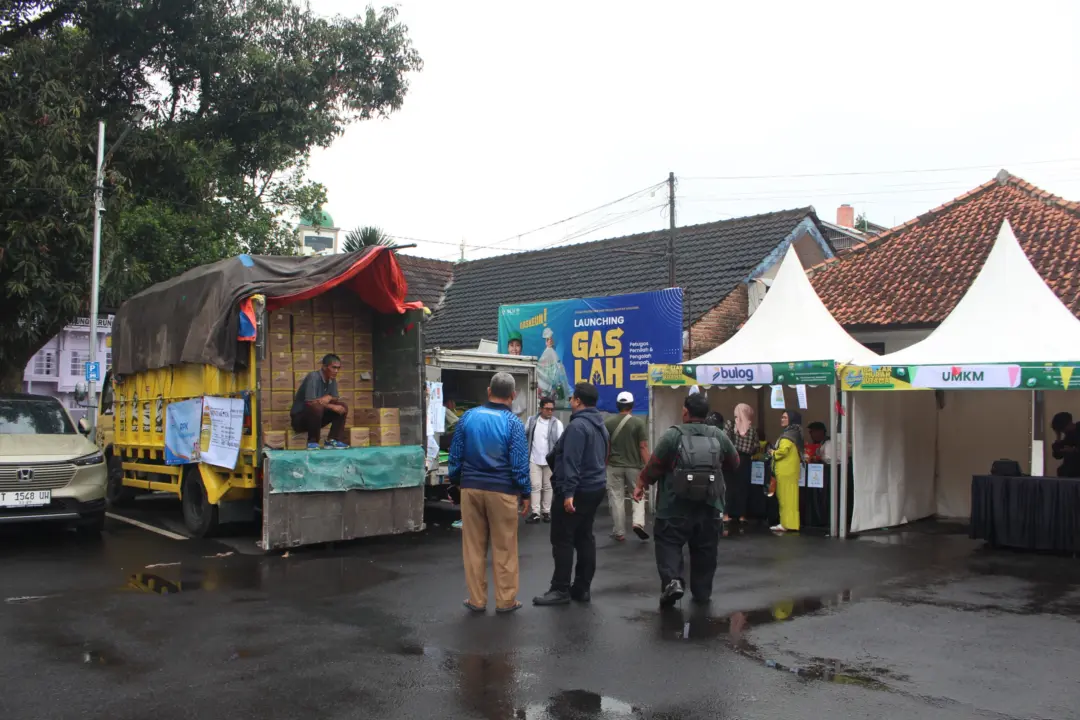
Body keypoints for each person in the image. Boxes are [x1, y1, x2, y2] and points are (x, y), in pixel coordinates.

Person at [633, 393, 739, 608]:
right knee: (706, 549)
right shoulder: (718, 435)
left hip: (673, 505)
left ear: (685, 412)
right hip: (710, 505)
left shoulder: (673, 435)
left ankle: (673, 581)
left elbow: (655, 464)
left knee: (668, 544)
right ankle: (702, 593)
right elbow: (735, 462)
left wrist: (641, 483)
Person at [448, 372, 531, 614]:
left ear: (488, 391)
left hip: (471, 488)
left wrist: (456, 482)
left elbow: (455, 455)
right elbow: (519, 463)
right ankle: (506, 601)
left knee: (473, 547)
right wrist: (525, 492)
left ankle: (476, 600)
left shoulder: (468, 417)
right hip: (502, 490)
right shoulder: (513, 423)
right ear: (513, 395)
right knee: (505, 547)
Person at [533, 383, 609, 606]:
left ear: (578, 401)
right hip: (595, 486)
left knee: (563, 539)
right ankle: (582, 588)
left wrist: (568, 493)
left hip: (577, 489)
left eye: (572, 398)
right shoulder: (600, 425)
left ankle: (560, 588)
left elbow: (571, 461)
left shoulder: (577, 426)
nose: (570, 402)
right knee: (584, 537)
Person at [605, 391, 651, 542]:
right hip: (634, 467)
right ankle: (638, 523)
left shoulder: (608, 423)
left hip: (613, 466)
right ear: (632, 405)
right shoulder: (638, 423)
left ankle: (619, 532)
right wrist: (650, 466)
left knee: (616, 498)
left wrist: (605, 464)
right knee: (638, 494)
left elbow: (606, 447)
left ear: (617, 405)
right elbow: (643, 447)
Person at [290, 353, 349, 449]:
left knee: (343, 407)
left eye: (338, 368)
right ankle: (312, 442)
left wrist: (329, 397)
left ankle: (333, 440)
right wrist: (331, 406)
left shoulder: (332, 379)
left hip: (317, 419)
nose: (336, 371)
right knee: (316, 407)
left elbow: (335, 397)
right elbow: (310, 402)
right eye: (333, 368)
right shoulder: (313, 377)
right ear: (324, 367)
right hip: (300, 420)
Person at [525, 397, 563, 524]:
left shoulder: (557, 423)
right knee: (535, 486)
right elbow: (525, 435)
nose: (550, 411)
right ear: (541, 409)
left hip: (550, 460)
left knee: (548, 486)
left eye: (552, 409)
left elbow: (560, 442)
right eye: (547, 409)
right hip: (534, 459)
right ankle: (535, 513)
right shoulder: (532, 421)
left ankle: (546, 512)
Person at [723, 403, 759, 523]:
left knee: (729, 486)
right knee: (743, 488)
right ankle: (742, 515)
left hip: (732, 458)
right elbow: (756, 446)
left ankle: (726, 514)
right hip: (745, 460)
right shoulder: (752, 428)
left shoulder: (731, 424)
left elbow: (724, 439)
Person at [769, 410, 803, 533]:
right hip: (790, 471)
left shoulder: (788, 435)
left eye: (785, 417)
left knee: (784, 498)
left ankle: (786, 524)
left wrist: (773, 452)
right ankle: (791, 523)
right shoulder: (795, 433)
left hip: (785, 471)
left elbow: (783, 451)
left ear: (791, 420)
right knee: (791, 498)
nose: (782, 419)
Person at [1051, 412, 1080, 478]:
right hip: (1068, 472)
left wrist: (1074, 450)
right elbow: (1057, 455)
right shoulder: (1069, 434)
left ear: (1069, 423)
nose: (1063, 431)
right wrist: (1058, 437)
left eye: (1063, 429)